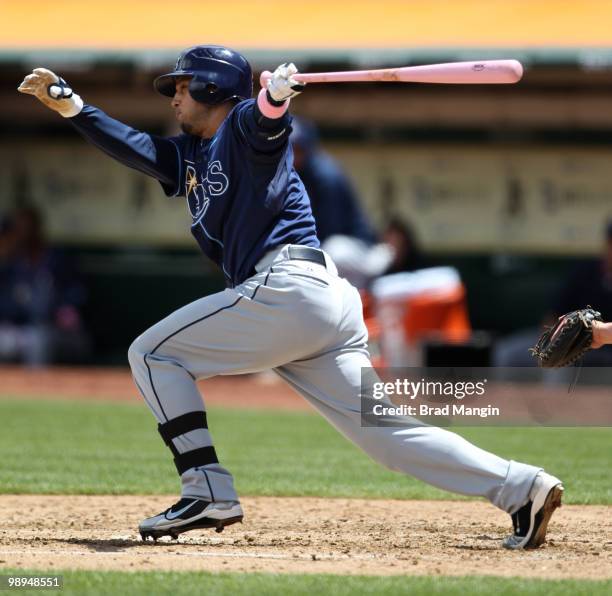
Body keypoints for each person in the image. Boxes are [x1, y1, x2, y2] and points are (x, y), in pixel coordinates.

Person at [19, 46, 562, 549]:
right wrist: (72, 106)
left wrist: (274, 96)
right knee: (388, 438)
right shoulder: (190, 153)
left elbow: (264, 122)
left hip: (290, 289)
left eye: (182, 85)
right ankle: (522, 488)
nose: (174, 96)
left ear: (211, 88)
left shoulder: (243, 127)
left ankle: (206, 487)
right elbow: (136, 148)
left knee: (152, 354)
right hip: (318, 304)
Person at [0, 206, 89, 366]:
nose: (24, 234)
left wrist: (66, 308)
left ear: (37, 229)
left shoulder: (57, 259)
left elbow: (78, 294)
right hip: (19, 329)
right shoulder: (12, 264)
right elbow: (7, 304)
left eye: (28, 228)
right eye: (19, 229)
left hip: (58, 331)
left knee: (38, 340)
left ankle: (35, 388)